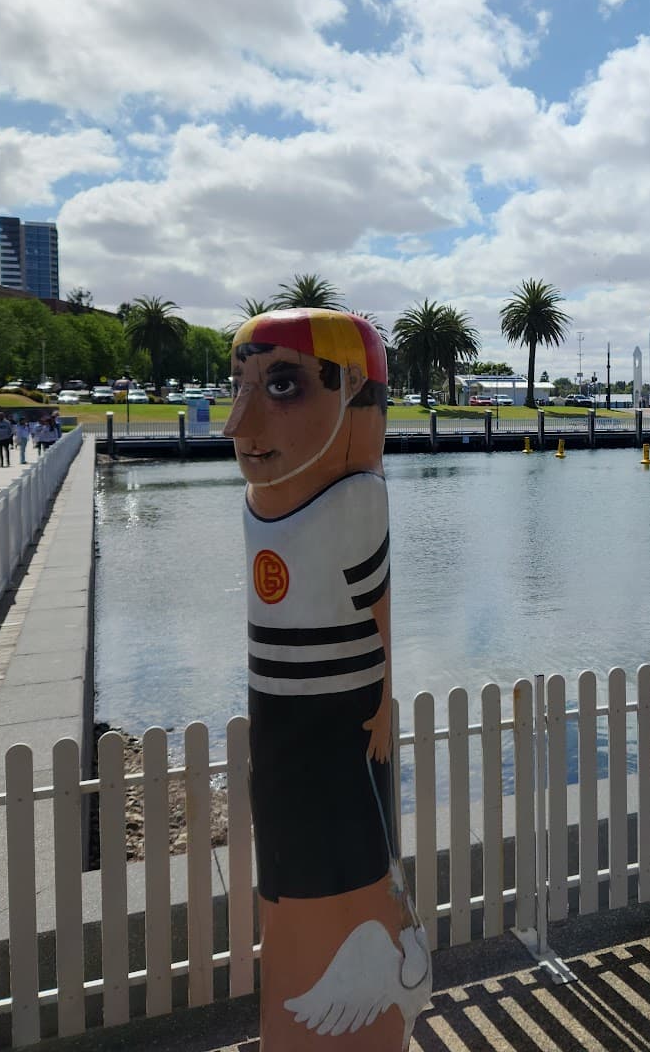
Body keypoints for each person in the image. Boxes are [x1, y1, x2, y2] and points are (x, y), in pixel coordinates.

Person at [224, 308, 429, 1050]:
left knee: (346, 869)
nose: (237, 425)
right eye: (238, 385)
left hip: (341, 723)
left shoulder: (355, 498)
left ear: (356, 398)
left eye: (282, 384)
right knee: (287, 876)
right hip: (280, 723)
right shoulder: (261, 505)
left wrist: (378, 705)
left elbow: (375, 611)